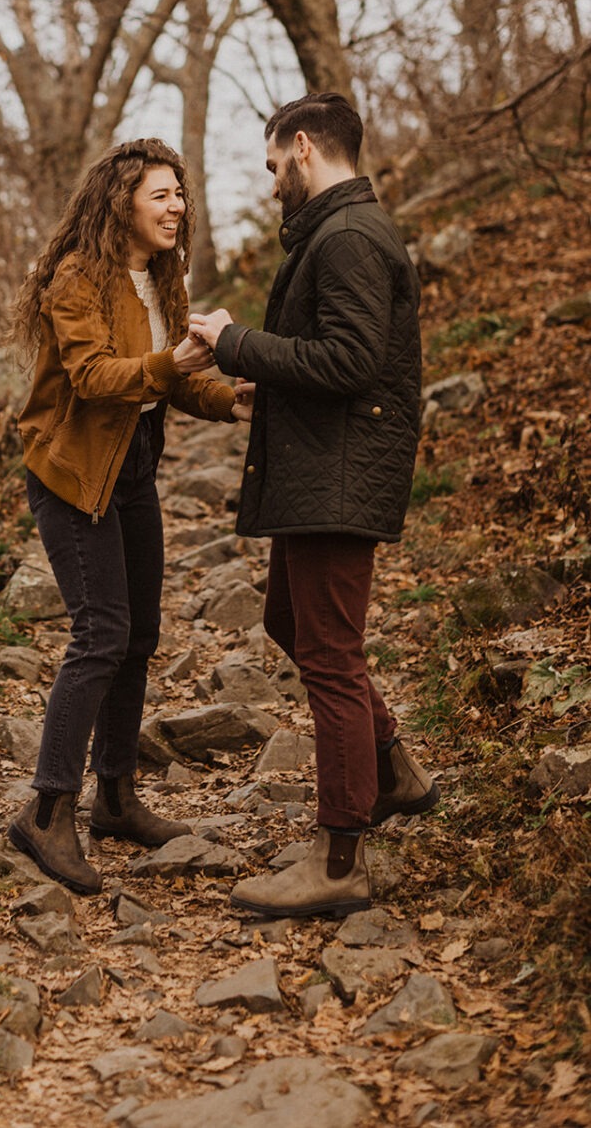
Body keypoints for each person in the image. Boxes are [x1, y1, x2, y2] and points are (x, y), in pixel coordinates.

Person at [182, 92, 438, 920]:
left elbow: (352, 360)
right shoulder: (338, 232)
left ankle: (339, 859)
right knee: (291, 625)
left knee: (329, 655)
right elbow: (331, 356)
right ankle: (392, 767)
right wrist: (264, 373)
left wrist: (232, 341)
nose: (271, 185)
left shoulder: (352, 235)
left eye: (270, 168)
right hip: (321, 473)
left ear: (301, 148)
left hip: (337, 481)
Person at [7, 138, 250, 895]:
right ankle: (47, 812)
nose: (176, 206)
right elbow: (92, 375)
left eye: (180, 193)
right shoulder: (77, 278)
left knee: (139, 635)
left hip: (133, 461)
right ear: (123, 203)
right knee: (99, 634)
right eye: (160, 195)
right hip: (75, 469)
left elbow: (166, 384)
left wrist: (227, 397)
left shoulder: (162, 276)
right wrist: (172, 365)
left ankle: (114, 797)